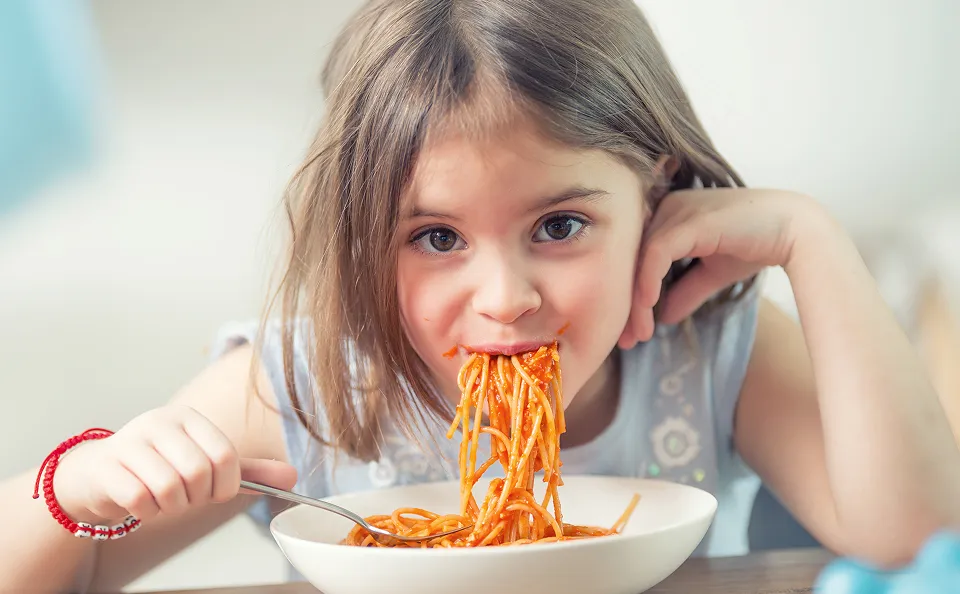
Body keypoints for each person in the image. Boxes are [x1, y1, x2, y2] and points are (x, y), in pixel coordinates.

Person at [2, 1, 959, 592]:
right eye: (435, 238)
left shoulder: (710, 353)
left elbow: (915, 542)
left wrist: (810, 239)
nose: (505, 300)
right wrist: (81, 489)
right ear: (359, 241)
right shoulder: (306, 385)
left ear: (656, 195)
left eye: (558, 227)